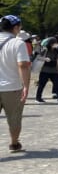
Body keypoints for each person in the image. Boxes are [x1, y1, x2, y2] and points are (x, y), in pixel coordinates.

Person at [0, 15, 31, 153]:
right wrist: (26, 86)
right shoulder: (18, 43)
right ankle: (14, 143)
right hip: (12, 87)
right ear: (16, 27)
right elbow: (23, 65)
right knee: (14, 118)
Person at [36, 37, 58, 103]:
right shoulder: (45, 50)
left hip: (54, 70)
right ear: (51, 43)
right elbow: (38, 57)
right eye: (55, 43)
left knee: (57, 84)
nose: (56, 44)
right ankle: (38, 98)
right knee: (41, 84)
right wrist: (45, 59)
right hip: (45, 70)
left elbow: (57, 60)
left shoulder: (56, 50)